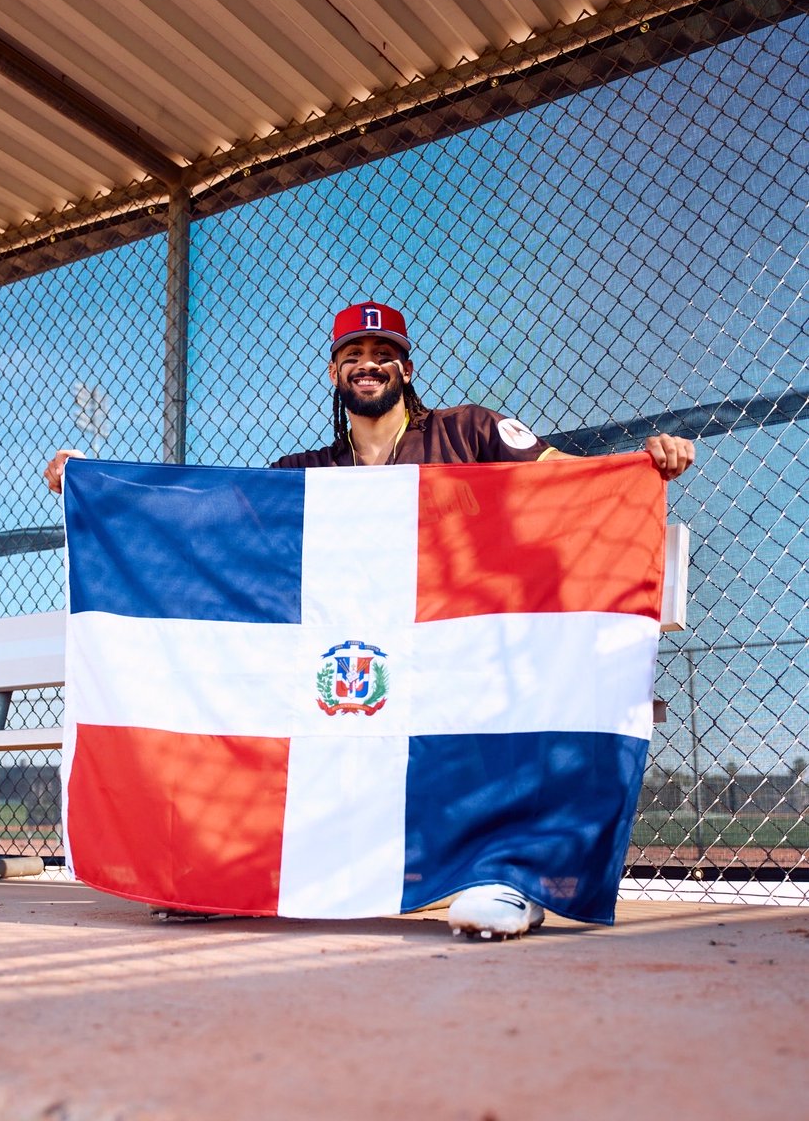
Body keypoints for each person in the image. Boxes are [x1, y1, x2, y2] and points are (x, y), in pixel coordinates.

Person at [44, 300, 695, 938]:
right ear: (334, 374)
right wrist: (95, 489)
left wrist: (643, 468)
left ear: (405, 370)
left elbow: (568, 484)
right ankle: (227, 876)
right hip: (345, 670)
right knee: (266, 715)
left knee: (504, 707)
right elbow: (209, 529)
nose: (368, 365)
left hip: (462, 660)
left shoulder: (469, 432)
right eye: (353, 355)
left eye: (383, 356)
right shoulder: (303, 475)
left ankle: (507, 875)